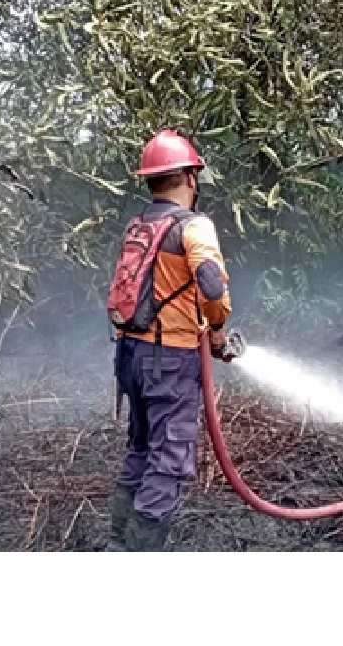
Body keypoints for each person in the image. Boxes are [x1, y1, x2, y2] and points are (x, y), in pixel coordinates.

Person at [106, 129, 232, 551]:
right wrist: (217, 328)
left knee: (141, 447)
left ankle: (117, 540)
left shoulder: (140, 225)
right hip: (169, 361)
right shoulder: (194, 227)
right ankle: (141, 552)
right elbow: (212, 286)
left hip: (130, 355)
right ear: (189, 178)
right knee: (170, 457)